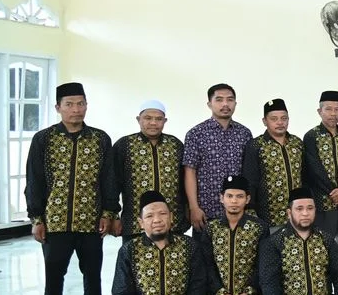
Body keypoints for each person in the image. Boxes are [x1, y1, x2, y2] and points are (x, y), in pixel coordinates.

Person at [25, 81, 119, 295]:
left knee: (93, 273)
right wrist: (36, 218)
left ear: (87, 106)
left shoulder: (100, 139)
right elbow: (34, 180)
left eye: (80, 104)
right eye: (69, 104)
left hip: (91, 220)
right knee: (54, 274)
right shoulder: (43, 139)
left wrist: (109, 213)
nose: (76, 109)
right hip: (54, 221)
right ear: (58, 107)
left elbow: (109, 179)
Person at [110, 191, 211, 295]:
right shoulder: (129, 250)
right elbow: (120, 293)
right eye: (149, 216)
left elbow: (198, 284)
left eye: (162, 214)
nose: (157, 220)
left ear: (171, 217)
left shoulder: (189, 246)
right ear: (141, 223)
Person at [200, 175, 268, 295]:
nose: (234, 201)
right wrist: (221, 293)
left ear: (247, 199)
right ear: (221, 198)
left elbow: (263, 265)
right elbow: (207, 265)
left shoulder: (259, 227)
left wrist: (247, 293)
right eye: (229, 196)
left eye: (239, 196)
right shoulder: (211, 228)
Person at [112, 99, 186, 240]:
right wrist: (113, 215)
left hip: (171, 223)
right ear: (138, 119)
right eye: (148, 118)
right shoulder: (124, 145)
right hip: (134, 223)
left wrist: (188, 211)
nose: (153, 123)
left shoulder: (175, 145)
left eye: (158, 119)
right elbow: (113, 182)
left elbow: (184, 182)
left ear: (165, 121)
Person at [184, 83, 252, 231]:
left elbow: (249, 172)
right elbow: (190, 172)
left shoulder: (244, 133)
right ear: (209, 104)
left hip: (239, 212)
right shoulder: (196, 134)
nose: (225, 104)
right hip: (206, 212)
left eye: (230, 100)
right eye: (219, 99)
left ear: (235, 103)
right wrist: (193, 207)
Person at [304, 90, 338, 250]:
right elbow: (314, 169)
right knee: (324, 247)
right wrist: (336, 195)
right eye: (328, 109)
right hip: (324, 204)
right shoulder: (311, 136)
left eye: (337, 109)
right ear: (319, 111)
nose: (333, 114)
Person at [241, 98, 304, 227]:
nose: (280, 122)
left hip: (297, 216)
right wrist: (250, 212)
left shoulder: (297, 143)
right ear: (265, 121)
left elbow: (305, 176)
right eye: (274, 119)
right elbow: (250, 181)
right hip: (267, 216)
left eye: (284, 118)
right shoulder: (255, 145)